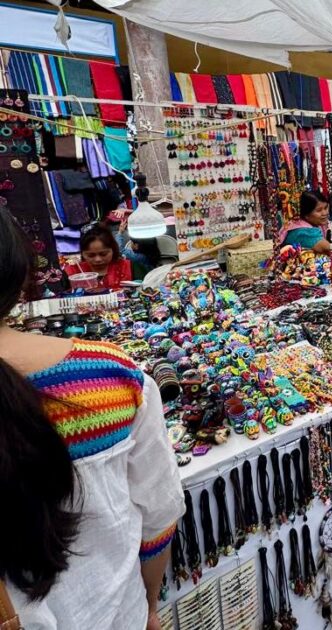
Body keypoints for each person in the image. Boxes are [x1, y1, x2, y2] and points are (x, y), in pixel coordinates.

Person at [0, 208, 185, 629]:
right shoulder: (110, 374)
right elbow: (159, 512)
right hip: (113, 613)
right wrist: (150, 606)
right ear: (21, 272)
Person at [63, 224, 133, 288]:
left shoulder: (127, 267)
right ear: (82, 253)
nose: (98, 259)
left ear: (113, 250)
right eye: (91, 255)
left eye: (104, 254)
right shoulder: (72, 272)